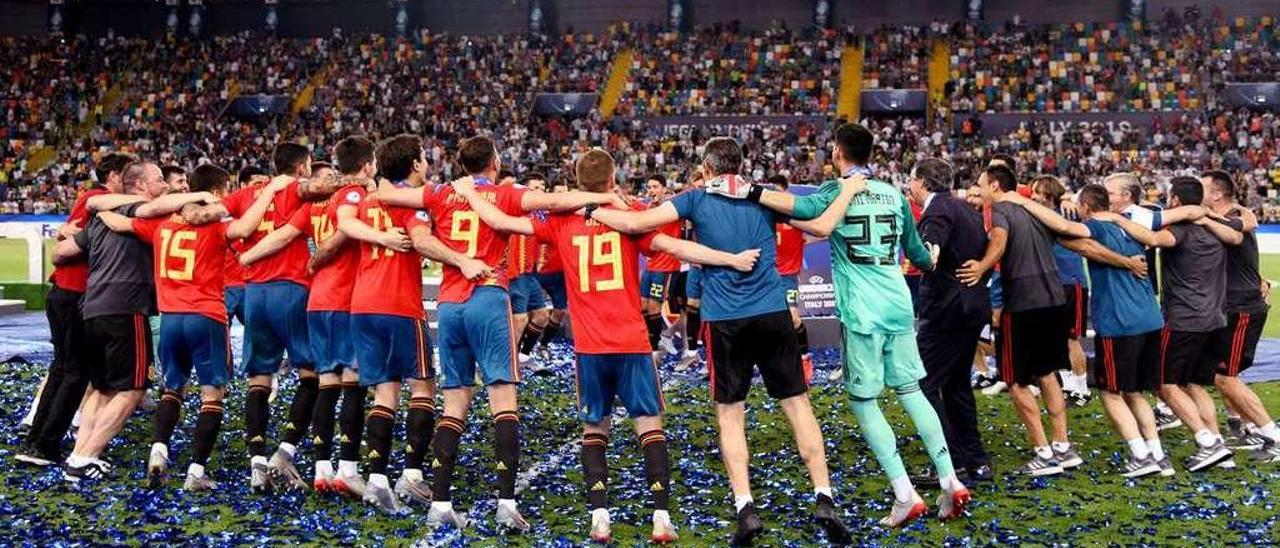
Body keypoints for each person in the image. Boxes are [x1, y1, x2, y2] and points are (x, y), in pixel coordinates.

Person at [455, 148, 762, 543]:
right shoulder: (630, 212)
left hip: (590, 345)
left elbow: (499, 220)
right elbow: (676, 248)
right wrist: (730, 259)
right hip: (631, 341)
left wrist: (472, 192)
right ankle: (661, 517)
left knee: (593, 430)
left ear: (578, 182)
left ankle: (600, 517)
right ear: (613, 178)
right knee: (649, 427)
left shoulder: (561, 219)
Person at [589, 137, 852, 545]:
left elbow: (635, 225)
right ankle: (824, 497)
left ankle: (745, 507)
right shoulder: (762, 196)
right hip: (772, 312)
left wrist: (592, 207)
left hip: (726, 319)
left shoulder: (695, 198)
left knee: (731, 413)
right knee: (798, 406)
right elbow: (819, 225)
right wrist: (850, 188)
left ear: (708, 168)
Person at [712, 124, 970, 528]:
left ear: (836, 153)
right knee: (912, 391)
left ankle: (904, 492)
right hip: (898, 303)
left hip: (862, 310)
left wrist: (751, 191)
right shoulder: (894, 195)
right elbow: (921, 257)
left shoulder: (835, 191)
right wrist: (931, 258)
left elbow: (801, 210)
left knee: (865, 401)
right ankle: (949, 480)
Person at [373, 136, 621, 530]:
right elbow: (554, 203)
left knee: (454, 403)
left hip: (452, 304)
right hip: (488, 296)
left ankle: (439, 504)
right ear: (495, 161)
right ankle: (506, 503)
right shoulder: (505, 193)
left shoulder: (440, 192)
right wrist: (605, 196)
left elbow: (386, 191)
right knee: (503, 402)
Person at [96, 164, 285, 490]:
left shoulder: (161, 224)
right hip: (206, 316)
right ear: (215, 194)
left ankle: (158, 451)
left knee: (174, 389)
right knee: (212, 396)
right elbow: (245, 228)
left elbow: (118, 221)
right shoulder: (214, 226)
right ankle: (196, 472)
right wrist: (268, 191)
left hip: (170, 318)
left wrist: (96, 210)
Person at [336, 134, 489, 513]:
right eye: (423, 158)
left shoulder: (368, 198)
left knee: (385, 392)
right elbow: (421, 242)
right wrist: (460, 260)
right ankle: (413, 474)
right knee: (423, 386)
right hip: (399, 304)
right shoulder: (411, 203)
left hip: (363, 304)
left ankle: (376, 480)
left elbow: (346, 226)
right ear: (415, 165)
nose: (427, 163)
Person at [50, 162, 220, 482]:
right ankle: (87, 455)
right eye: (159, 180)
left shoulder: (102, 218)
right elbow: (156, 208)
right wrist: (201, 195)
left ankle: (78, 457)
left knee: (100, 389)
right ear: (141, 186)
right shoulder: (151, 212)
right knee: (132, 389)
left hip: (91, 307)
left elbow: (60, 253)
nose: (167, 186)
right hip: (126, 307)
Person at [236, 137, 383, 496]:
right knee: (353, 380)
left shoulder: (314, 206)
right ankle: (347, 467)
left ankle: (320, 467)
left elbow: (283, 235)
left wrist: (247, 257)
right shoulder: (355, 197)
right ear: (366, 166)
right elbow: (346, 232)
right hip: (344, 298)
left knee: (325, 382)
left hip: (316, 300)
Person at [1092, 176, 1241, 472]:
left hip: (1185, 319)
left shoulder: (1179, 231)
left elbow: (1152, 239)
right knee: (1195, 384)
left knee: (1166, 385)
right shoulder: (1220, 230)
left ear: (1174, 200)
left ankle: (1206, 442)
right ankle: (1217, 444)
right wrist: (1209, 215)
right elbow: (1238, 235)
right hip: (1215, 317)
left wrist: (1116, 220)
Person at [959, 165, 1085, 477]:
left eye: (980, 185)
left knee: (1015, 380)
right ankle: (1062, 445)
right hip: (1054, 299)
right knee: (1047, 373)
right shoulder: (1037, 211)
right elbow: (1078, 239)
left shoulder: (1000, 209)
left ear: (996, 185)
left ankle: (1043, 453)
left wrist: (981, 266)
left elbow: (999, 241)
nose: (977, 191)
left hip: (1024, 303)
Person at [16, 152, 132, 467]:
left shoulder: (92, 199)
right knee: (75, 373)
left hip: (66, 293)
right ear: (114, 176)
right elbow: (66, 236)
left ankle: (36, 440)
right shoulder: (98, 197)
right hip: (74, 294)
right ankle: (45, 444)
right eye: (127, 175)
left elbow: (65, 233)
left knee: (63, 369)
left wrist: (67, 233)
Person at [1065, 184, 1174, 476]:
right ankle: (1158, 455)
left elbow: (1072, 240)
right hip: (1149, 317)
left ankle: (1140, 455)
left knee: (1110, 392)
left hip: (1119, 321)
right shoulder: (1130, 226)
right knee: (1135, 391)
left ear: (1085, 207)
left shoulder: (1093, 226)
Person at [907, 158, 994, 485]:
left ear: (924, 183)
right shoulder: (966, 210)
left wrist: (919, 253)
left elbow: (931, 254)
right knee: (956, 385)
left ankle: (949, 462)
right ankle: (976, 461)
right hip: (970, 306)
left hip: (946, 310)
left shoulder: (937, 210)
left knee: (922, 384)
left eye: (912, 180)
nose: (910, 187)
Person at [1200, 170, 1280, 462]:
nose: (1199, 192)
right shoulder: (1229, 217)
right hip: (1232, 305)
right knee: (1222, 373)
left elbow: (1247, 222)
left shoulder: (1236, 216)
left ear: (1217, 194)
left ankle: (1272, 435)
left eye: (1203, 188)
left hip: (1241, 307)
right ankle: (1241, 425)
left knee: (1225, 378)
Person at [1030, 176, 1092, 406]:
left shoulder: (1069, 212)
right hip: (1050, 283)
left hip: (1070, 282)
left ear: (1049, 194)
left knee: (1070, 338)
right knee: (1055, 337)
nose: (1033, 195)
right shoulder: (1039, 213)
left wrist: (1067, 197)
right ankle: (1068, 386)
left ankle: (1082, 389)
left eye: (1038, 192)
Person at [771, 175, 812, 375]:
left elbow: (814, 233)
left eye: (779, 191)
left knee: (794, 318)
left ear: (786, 191)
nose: (776, 196)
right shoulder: (767, 215)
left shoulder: (797, 215)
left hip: (787, 277)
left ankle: (805, 359)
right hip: (768, 277)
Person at [638, 175, 683, 357]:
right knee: (642, 306)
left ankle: (655, 348)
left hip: (665, 267)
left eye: (655, 186)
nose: (651, 190)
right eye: (649, 187)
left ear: (664, 189)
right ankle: (659, 338)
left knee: (654, 307)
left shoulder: (673, 208)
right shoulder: (647, 209)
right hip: (649, 266)